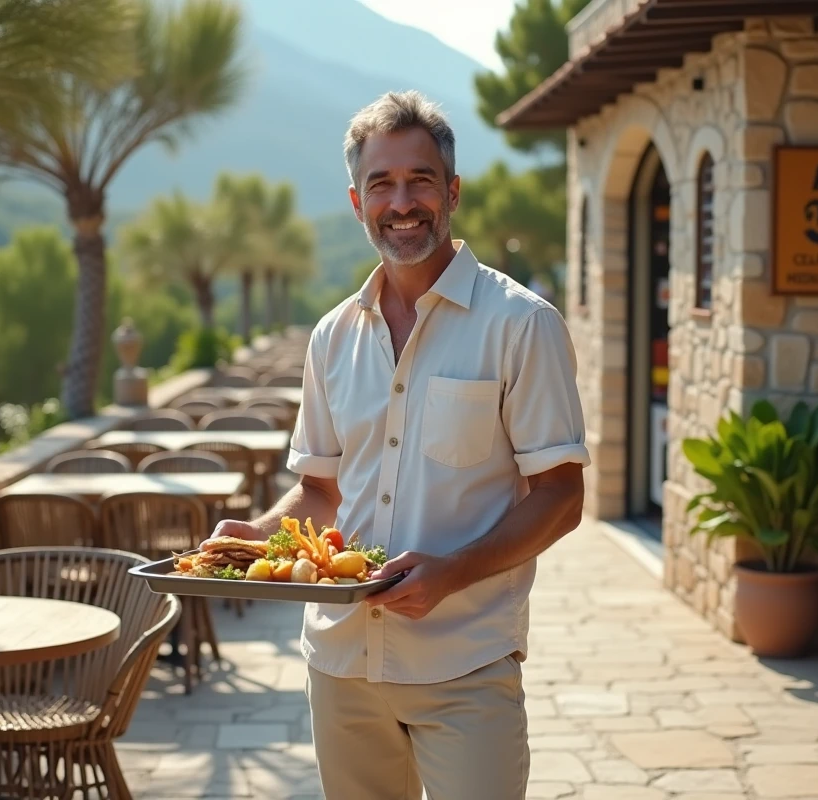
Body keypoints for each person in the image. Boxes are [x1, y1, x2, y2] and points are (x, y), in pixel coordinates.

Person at [202, 89, 589, 800]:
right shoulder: (331, 337)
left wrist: (453, 571)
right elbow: (321, 491)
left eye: (420, 180)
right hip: (341, 666)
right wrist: (256, 539)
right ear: (357, 203)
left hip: (465, 664)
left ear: (452, 193)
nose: (401, 201)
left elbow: (563, 496)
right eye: (382, 183)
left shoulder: (522, 325)